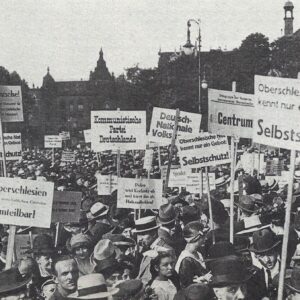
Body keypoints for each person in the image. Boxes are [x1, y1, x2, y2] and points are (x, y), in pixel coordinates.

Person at [134, 216, 173, 284]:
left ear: (154, 234)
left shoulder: (166, 250)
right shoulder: (143, 249)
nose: (140, 239)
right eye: (138, 235)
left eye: (143, 234)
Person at [248, 228, 282, 299]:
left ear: (277, 252)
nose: (267, 260)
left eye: (270, 254)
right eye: (262, 256)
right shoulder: (254, 278)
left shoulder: (288, 272)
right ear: (256, 257)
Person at [175, 221, 209, 288]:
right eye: (203, 236)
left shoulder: (197, 253)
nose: (206, 238)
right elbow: (186, 286)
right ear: (196, 238)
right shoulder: (186, 260)